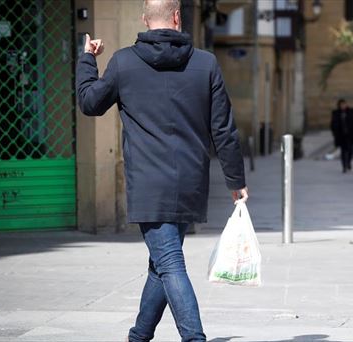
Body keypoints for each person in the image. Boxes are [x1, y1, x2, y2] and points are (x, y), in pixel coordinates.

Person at [75, 1, 248, 341]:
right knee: (162, 263)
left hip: (148, 183)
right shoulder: (206, 63)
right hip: (190, 181)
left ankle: (194, 338)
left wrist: (87, 59)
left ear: (144, 20)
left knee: (169, 263)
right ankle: (139, 336)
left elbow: (90, 103)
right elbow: (224, 129)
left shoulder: (124, 62)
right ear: (177, 17)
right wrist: (236, 181)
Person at [330, 99, 353, 173]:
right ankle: (344, 166)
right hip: (341, 135)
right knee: (343, 151)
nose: (343, 106)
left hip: (350, 134)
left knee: (351, 150)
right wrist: (334, 133)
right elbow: (332, 124)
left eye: (344, 104)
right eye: (341, 105)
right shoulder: (336, 113)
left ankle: (348, 162)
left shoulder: (351, 112)